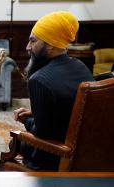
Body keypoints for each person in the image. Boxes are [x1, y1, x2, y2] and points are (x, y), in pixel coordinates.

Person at [13, 11, 94, 170]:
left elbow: (41, 134)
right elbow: (67, 110)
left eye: (33, 41)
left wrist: (25, 120)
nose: (27, 47)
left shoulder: (39, 80)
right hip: (88, 152)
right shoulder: (80, 65)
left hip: (55, 157)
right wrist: (35, 114)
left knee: (14, 142)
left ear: (50, 44)